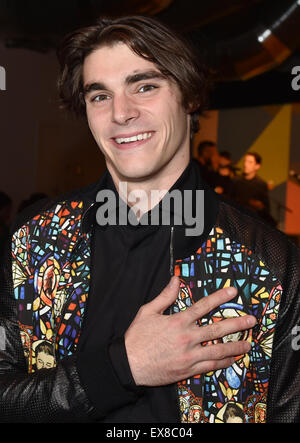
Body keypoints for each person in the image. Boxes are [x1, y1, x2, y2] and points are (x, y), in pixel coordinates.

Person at [0, 15, 299, 424]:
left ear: (190, 97)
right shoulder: (34, 240)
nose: (121, 113)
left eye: (145, 86)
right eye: (99, 96)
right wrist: (122, 368)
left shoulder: (272, 263)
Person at [231, 152, 272, 222]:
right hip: (236, 218)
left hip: (253, 221)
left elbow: (266, 208)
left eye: (250, 162)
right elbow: (230, 200)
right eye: (245, 161)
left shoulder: (261, 184)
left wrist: (258, 206)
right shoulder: (236, 181)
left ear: (257, 166)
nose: (245, 164)